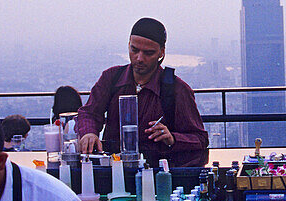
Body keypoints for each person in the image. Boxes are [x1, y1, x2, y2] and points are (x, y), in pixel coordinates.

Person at [77, 18, 209, 167]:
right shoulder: (111, 78)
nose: (139, 58)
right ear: (128, 45)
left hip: (157, 173)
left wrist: (173, 138)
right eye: (134, 50)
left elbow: (200, 139)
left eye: (148, 53)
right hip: (115, 169)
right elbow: (88, 113)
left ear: (161, 52)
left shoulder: (177, 89)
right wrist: (89, 132)